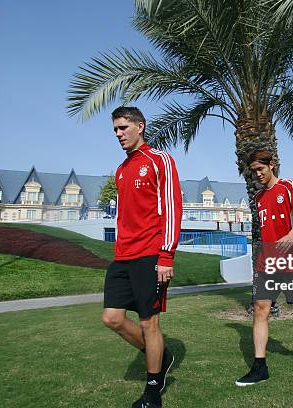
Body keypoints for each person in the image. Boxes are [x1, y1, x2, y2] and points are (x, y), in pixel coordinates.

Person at [101, 107, 182, 408]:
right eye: (115, 130)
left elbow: (173, 209)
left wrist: (167, 255)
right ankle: (163, 357)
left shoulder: (159, 160)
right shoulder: (121, 170)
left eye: (123, 128)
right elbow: (123, 215)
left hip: (151, 254)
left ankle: (152, 391)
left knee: (149, 323)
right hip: (122, 255)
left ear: (140, 126)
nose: (119, 134)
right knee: (112, 318)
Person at [236, 150, 293, 387]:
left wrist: (291, 234)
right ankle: (260, 367)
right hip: (267, 261)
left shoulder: (289, 186)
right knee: (260, 309)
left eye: (260, 169)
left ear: (272, 165)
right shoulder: (258, 198)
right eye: (253, 171)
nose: (257, 174)